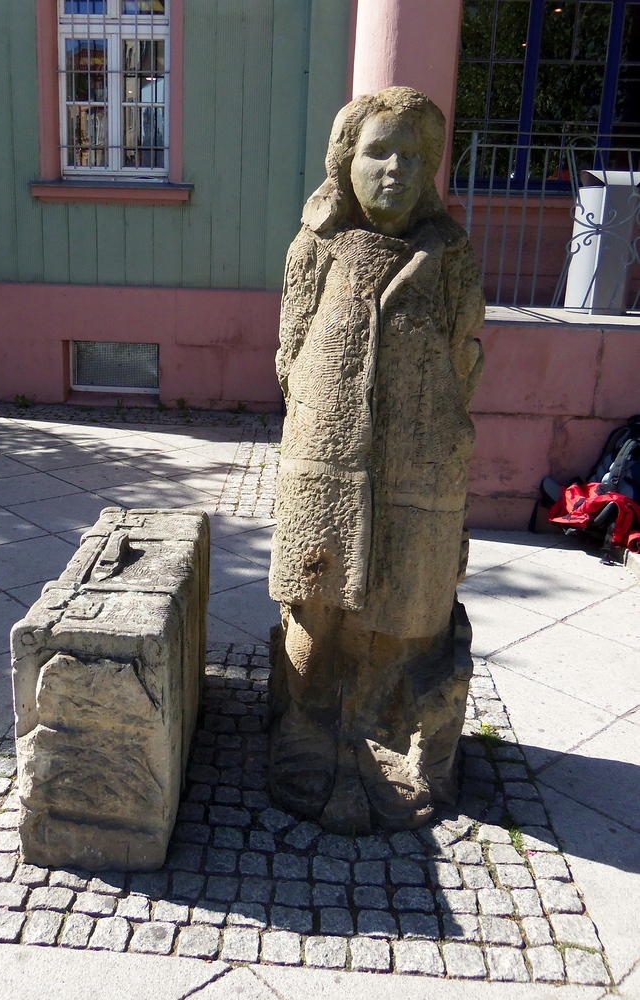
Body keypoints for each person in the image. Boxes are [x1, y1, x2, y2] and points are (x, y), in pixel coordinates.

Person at [268, 87, 485, 833]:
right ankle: (305, 726)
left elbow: (466, 354)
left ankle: (389, 734)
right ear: (346, 159)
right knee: (314, 605)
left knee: (407, 608)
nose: (396, 169)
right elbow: (290, 350)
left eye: (413, 156)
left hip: (419, 468)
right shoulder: (317, 244)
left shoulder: (449, 254)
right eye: (378, 152)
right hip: (325, 462)